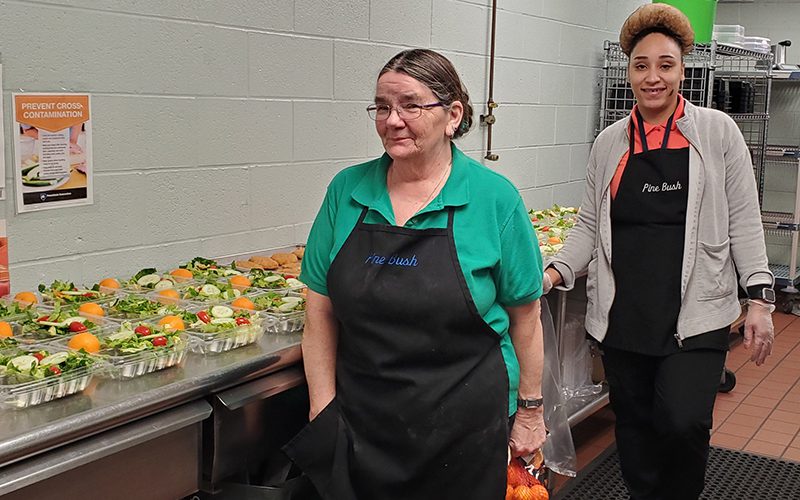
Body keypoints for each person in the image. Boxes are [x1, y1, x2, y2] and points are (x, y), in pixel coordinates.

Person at [285, 48, 546, 499]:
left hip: (466, 427)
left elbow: (526, 318)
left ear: (453, 114)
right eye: (382, 107)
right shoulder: (347, 190)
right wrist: (322, 409)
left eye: (410, 104)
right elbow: (320, 313)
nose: (392, 120)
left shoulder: (493, 199)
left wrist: (529, 411)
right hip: (363, 422)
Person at [542, 4, 775, 499]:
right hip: (625, 314)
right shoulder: (609, 143)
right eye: (641, 65)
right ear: (629, 71)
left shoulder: (717, 133)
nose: (653, 77)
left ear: (682, 70)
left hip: (698, 311)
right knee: (634, 428)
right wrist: (557, 270)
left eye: (665, 65)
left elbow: (744, 219)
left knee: (683, 423)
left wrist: (759, 297)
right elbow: (588, 223)